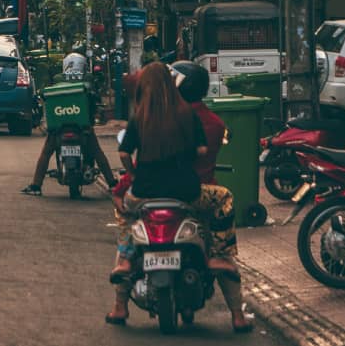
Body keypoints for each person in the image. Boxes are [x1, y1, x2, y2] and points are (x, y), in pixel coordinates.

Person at [105, 62, 247, 331]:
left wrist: (129, 180)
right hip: (190, 193)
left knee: (126, 217)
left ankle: (121, 298)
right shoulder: (204, 120)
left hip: (146, 191)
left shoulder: (146, 115)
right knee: (225, 218)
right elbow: (203, 153)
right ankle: (236, 311)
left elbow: (129, 155)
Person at [20, 57, 116, 196]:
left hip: (59, 126)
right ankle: (112, 183)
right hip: (82, 127)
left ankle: (36, 185)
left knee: (46, 153)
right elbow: (94, 99)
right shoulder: (87, 78)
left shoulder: (59, 78)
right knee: (97, 151)